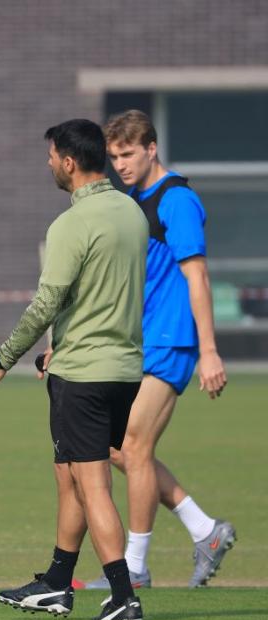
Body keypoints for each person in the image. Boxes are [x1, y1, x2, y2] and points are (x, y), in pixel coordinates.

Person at [0, 119, 147, 620]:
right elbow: (102, 292)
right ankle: (56, 582)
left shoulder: (70, 224)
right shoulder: (131, 213)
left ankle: (123, 595)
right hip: (123, 368)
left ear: (70, 162)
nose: (49, 163)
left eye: (52, 156)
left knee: (92, 483)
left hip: (84, 374)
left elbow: (45, 303)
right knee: (69, 475)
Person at [75, 110, 235, 590]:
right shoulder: (134, 199)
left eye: (128, 154)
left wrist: (209, 351)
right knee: (117, 449)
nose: (120, 164)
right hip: (141, 342)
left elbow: (197, 275)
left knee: (134, 447)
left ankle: (135, 569)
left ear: (151, 148)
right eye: (114, 156)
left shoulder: (177, 200)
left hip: (173, 340)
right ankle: (205, 530)